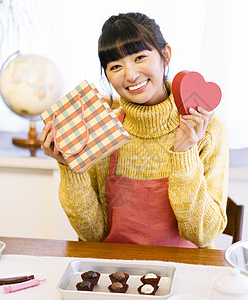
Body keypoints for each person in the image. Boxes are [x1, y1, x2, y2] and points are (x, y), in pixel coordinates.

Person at [39, 12, 228, 248]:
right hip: (119, 276)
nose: (130, 75)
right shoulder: (102, 127)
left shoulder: (208, 130)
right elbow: (92, 234)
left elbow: (204, 235)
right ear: (107, 74)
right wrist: (69, 166)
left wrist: (184, 153)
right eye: (116, 66)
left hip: (183, 275)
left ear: (165, 55)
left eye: (140, 57)